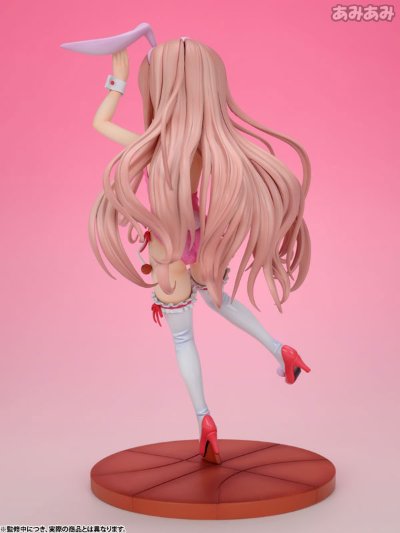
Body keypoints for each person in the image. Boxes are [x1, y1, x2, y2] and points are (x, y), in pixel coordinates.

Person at [89, 39, 311, 464]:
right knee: (218, 299)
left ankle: (204, 419)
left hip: (166, 248)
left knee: (183, 336)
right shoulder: (209, 149)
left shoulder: (149, 147)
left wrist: (118, 81)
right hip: (200, 236)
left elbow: (100, 122)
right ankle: (280, 349)